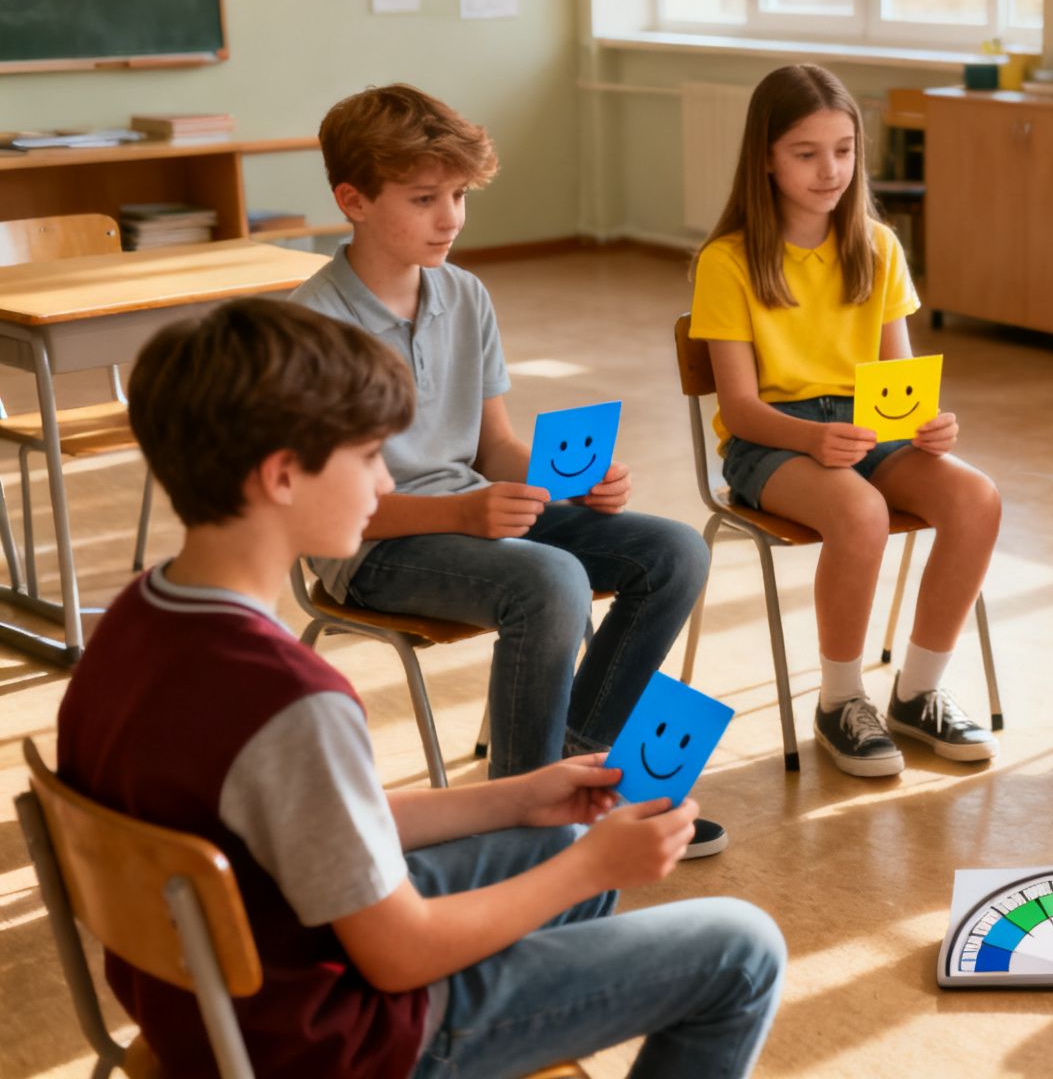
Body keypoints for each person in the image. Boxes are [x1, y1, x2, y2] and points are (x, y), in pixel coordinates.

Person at [58, 297, 784, 1078]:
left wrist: (521, 793)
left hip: (213, 1003)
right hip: (337, 1040)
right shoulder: (292, 700)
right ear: (281, 476)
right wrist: (594, 868)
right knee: (743, 950)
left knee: (558, 835)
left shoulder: (133, 620)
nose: (384, 480)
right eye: (370, 455)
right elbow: (400, 957)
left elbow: (326, 823)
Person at [293, 86, 719, 859]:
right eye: (424, 199)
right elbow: (330, 512)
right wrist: (463, 514)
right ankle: (525, 817)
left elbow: (493, 448)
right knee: (552, 579)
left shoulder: (465, 294)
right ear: (351, 200)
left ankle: (578, 774)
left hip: (472, 509)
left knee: (675, 551)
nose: (451, 217)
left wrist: (572, 483)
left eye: (458, 195)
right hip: (373, 546)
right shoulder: (316, 325)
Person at [690, 64, 1003, 777]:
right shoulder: (728, 261)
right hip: (771, 439)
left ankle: (919, 692)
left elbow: (896, 385)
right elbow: (739, 409)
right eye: (806, 153)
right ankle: (839, 701)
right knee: (860, 514)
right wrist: (811, 437)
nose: (829, 169)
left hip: (868, 429)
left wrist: (928, 427)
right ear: (765, 158)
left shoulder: (877, 246)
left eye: (843, 149)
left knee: (975, 497)